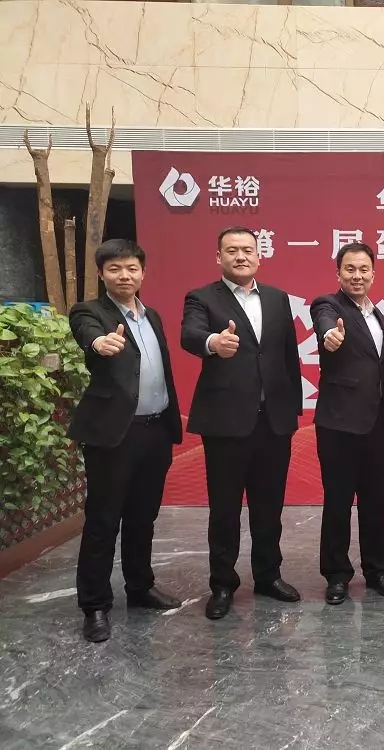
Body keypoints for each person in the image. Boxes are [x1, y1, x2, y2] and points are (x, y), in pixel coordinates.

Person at [180, 226, 303, 620]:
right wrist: (213, 344)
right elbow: (190, 335)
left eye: (247, 250)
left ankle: (268, 576)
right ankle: (222, 584)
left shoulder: (277, 298)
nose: (240, 256)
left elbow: (288, 356)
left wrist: (292, 409)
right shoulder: (202, 297)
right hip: (226, 422)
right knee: (225, 508)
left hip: (274, 421)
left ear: (259, 256)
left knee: (269, 506)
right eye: (231, 250)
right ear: (218, 257)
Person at [68, 239, 183, 643]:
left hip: (155, 430)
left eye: (132, 268)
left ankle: (139, 587)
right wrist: (99, 343)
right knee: (103, 520)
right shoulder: (90, 312)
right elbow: (87, 334)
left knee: (142, 516)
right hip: (114, 434)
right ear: (102, 273)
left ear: (142, 273)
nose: (124, 276)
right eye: (115, 269)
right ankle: (95, 605)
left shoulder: (152, 316)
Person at [311, 242, 384, 605]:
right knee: (338, 501)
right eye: (350, 269)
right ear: (339, 273)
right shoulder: (328, 305)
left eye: (364, 269)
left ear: (373, 274)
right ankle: (336, 574)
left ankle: (377, 571)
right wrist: (329, 336)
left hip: (377, 421)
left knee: (375, 501)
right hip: (339, 423)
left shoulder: (376, 314)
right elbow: (325, 325)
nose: (357, 276)